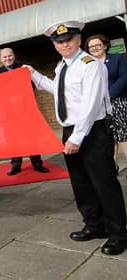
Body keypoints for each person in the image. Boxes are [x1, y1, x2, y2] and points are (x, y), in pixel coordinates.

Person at [25, 21, 127, 255]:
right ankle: (94, 225)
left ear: (79, 39)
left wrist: (77, 137)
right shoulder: (62, 66)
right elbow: (59, 93)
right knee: (81, 183)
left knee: (104, 183)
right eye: (59, 42)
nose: (65, 44)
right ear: (55, 45)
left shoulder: (90, 65)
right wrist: (35, 75)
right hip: (71, 130)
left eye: (69, 39)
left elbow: (91, 105)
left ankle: (118, 234)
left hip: (92, 130)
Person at [0, 47, 49, 175]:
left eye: (10, 56)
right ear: (1, 59)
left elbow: (32, 85)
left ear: (14, 56)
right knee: (14, 139)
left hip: (25, 109)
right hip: (9, 113)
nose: (8, 59)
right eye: (5, 57)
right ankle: (16, 165)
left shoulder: (24, 68)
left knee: (32, 138)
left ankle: (37, 164)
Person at [85, 34, 127, 166]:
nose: (95, 48)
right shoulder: (87, 64)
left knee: (123, 136)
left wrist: (108, 96)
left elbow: (124, 78)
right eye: (91, 46)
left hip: (118, 102)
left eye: (98, 45)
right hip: (98, 105)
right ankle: (111, 168)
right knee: (108, 137)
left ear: (105, 45)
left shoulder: (118, 58)